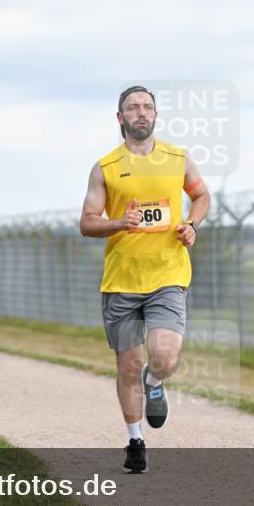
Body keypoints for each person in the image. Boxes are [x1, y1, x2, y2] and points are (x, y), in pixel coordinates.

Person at [79, 85, 210, 473]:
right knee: (128, 365)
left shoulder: (178, 158)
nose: (141, 113)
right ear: (120, 118)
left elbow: (201, 196)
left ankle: (157, 382)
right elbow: (87, 222)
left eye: (147, 107)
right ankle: (135, 441)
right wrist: (120, 222)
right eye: (132, 108)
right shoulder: (104, 167)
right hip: (121, 281)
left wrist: (191, 224)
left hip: (168, 274)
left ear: (155, 116)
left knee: (165, 358)